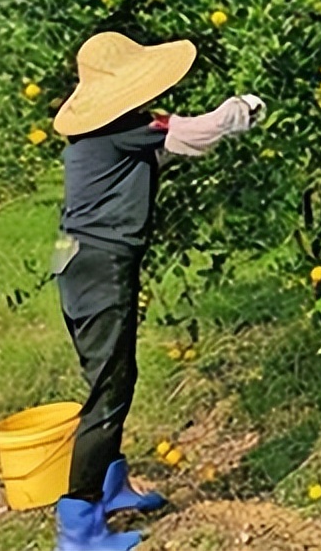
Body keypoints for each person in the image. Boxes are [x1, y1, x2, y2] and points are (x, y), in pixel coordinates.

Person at [49, 32, 265, 550]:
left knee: (110, 377)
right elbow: (200, 131)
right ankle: (77, 527)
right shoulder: (125, 130)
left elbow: (160, 156)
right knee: (110, 389)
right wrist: (244, 109)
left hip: (75, 261)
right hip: (101, 267)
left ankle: (111, 485)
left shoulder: (98, 139)